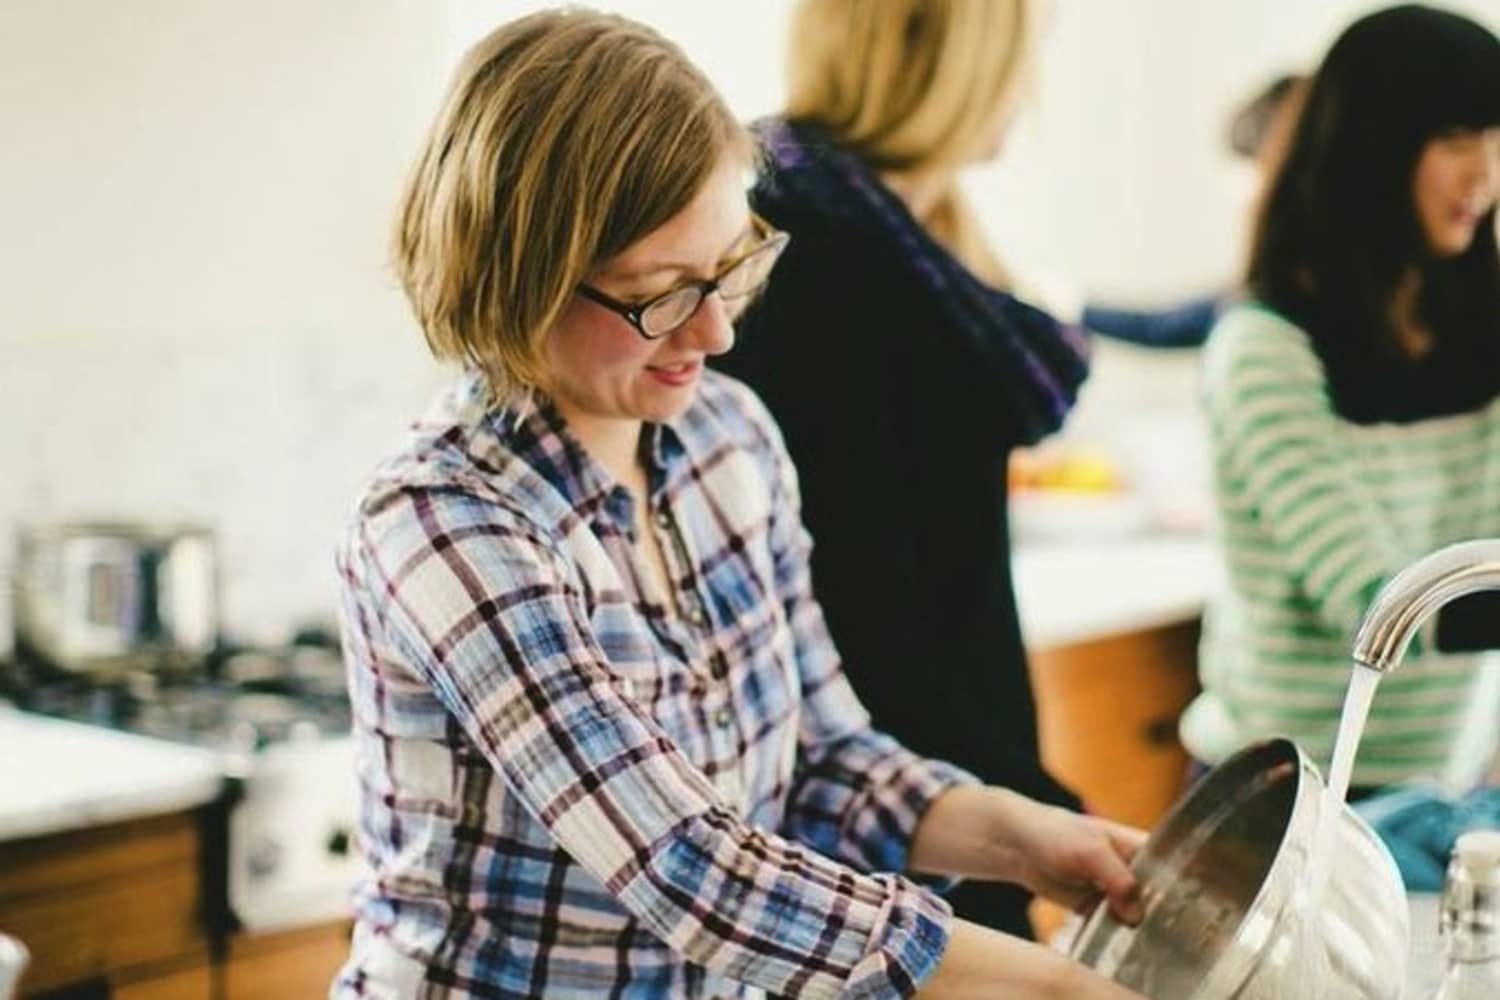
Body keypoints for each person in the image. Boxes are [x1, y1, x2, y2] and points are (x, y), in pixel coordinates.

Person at [333, 10, 1147, 999]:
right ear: (520, 277)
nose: (715, 331)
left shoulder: (731, 440)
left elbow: (825, 760)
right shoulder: (445, 522)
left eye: (731, 267)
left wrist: (1030, 839)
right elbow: (691, 868)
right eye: (661, 292)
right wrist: (1054, 986)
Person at [715, 0, 1095, 939]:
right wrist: (1025, 810)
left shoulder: (913, 241)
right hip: (894, 833)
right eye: (1022, 53)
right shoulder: (807, 256)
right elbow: (863, 610)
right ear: (950, 58)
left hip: (957, 789)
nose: (1031, 90)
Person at [1179, 4, 1500, 794]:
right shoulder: (1266, 352)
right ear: (1376, 153)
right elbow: (1376, 603)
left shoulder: (1480, 332)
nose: (1485, 175)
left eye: (1497, 141)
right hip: (1280, 801)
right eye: (1457, 141)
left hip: (1437, 792)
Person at [1078, 73, 1306, 348]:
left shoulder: (1268, 316)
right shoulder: (1263, 300)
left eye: (1249, 177)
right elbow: (1163, 327)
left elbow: (1168, 328)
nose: (1243, 199)